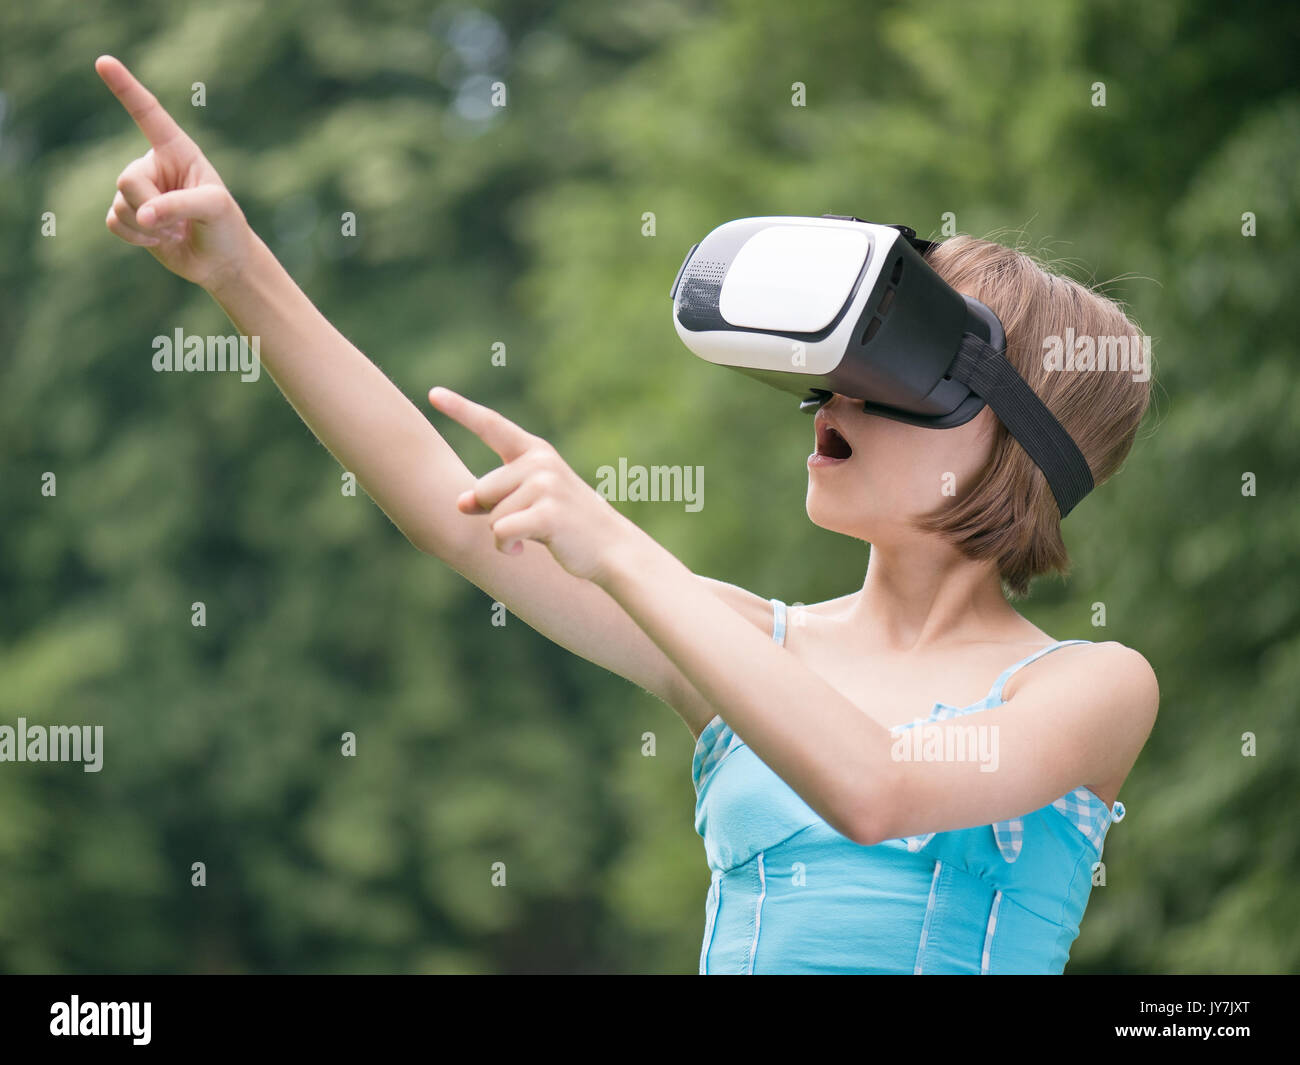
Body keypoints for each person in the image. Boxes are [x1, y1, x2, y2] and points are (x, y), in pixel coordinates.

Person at [95, 55, 1159, 974]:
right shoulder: (746, 646)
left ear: (1015, 439)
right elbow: (447, 507)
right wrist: (238, 269)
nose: (837, 399)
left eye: (895, 372)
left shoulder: (1090, 686)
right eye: (835, 367)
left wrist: (618, 549)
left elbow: (876, 790)